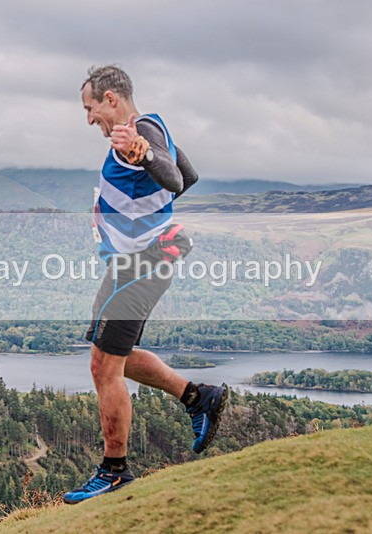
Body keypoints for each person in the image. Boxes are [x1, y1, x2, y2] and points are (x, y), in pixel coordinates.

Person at [63, 65, 229, 504]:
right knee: (107, 356)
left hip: (143, 263)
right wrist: (148, 188)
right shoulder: (153, 128)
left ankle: (114, 471)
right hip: (128, 264)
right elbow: (187, 178)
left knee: (104, 367)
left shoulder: (138, 135)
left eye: (90, 108)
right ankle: (198, 398)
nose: (89, 119)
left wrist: (145, 158)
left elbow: (172, 178)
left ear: (111, 98)